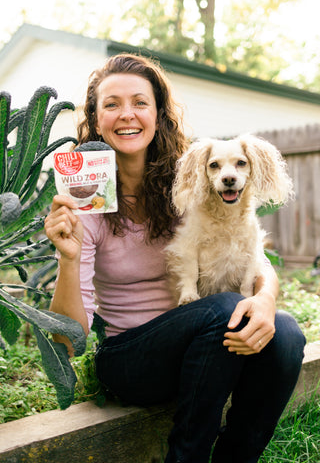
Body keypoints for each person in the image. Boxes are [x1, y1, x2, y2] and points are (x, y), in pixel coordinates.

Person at [45, 53, 306, 463]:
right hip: (132, 362)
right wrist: (68, 258)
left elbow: (255, 259)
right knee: (223, 307)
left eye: (140, 102)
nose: (126, 114)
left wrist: (267, 301)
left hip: (204, 351)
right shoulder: (86, 206)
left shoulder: (195, 179)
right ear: (96, 120)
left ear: (159, 114)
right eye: (111, 104)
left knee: (287, 332)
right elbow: (67, 339)